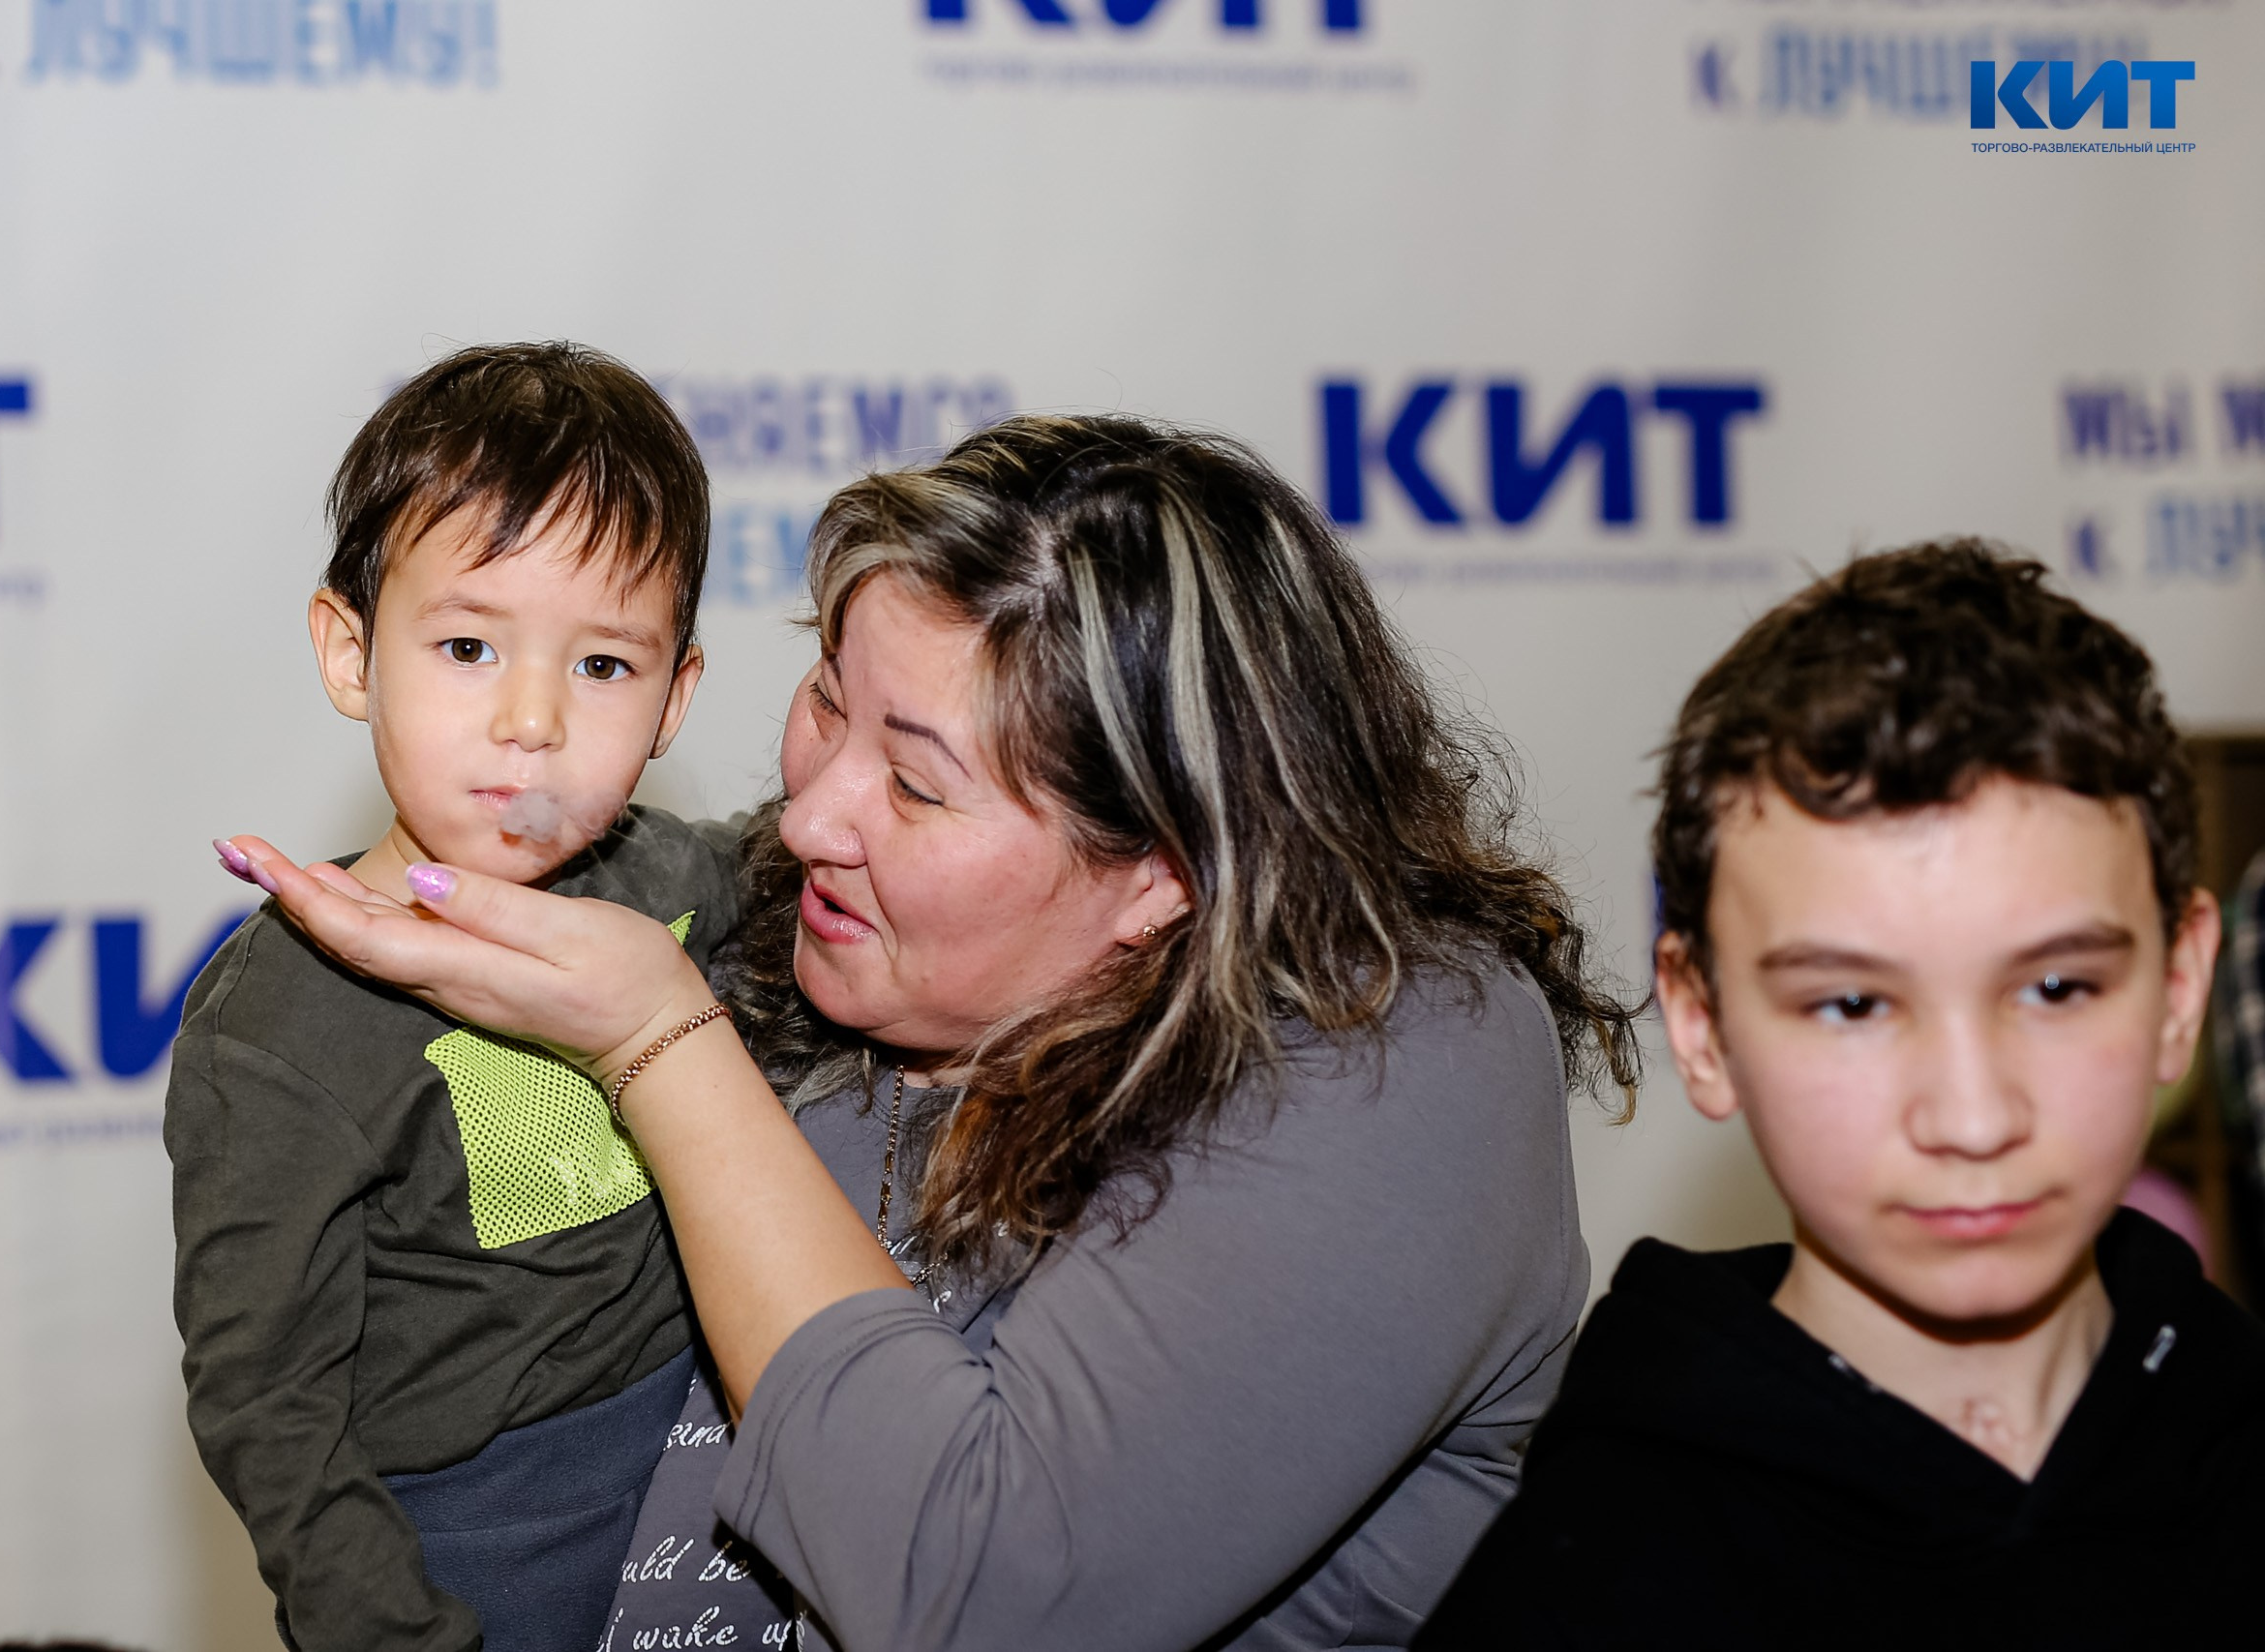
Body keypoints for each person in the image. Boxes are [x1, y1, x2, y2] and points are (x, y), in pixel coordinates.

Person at [220, 413, 1642, 1651]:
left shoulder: (1394, 1045)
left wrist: (663, 1041)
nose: (813, 811)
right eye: (826, 698)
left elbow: (979, 1598)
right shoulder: (797, 932)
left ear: (1164, 867)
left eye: (912, 782)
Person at [1427, 541, 2265, 1645]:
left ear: (2178, 990)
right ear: (1703, 1024)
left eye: (2056, 987)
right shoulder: (1588, 1579)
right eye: (1851, 1006)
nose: (1971, 1119)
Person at [170, 342, 740, 1652]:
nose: (532, 719)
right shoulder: (279, 1024)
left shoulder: (686, 877)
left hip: (717, 1509)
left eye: (604, 665)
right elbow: (272, 1406)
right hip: (471, 1554)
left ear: (674, 699)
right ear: (352, 650)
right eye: (471, 644)